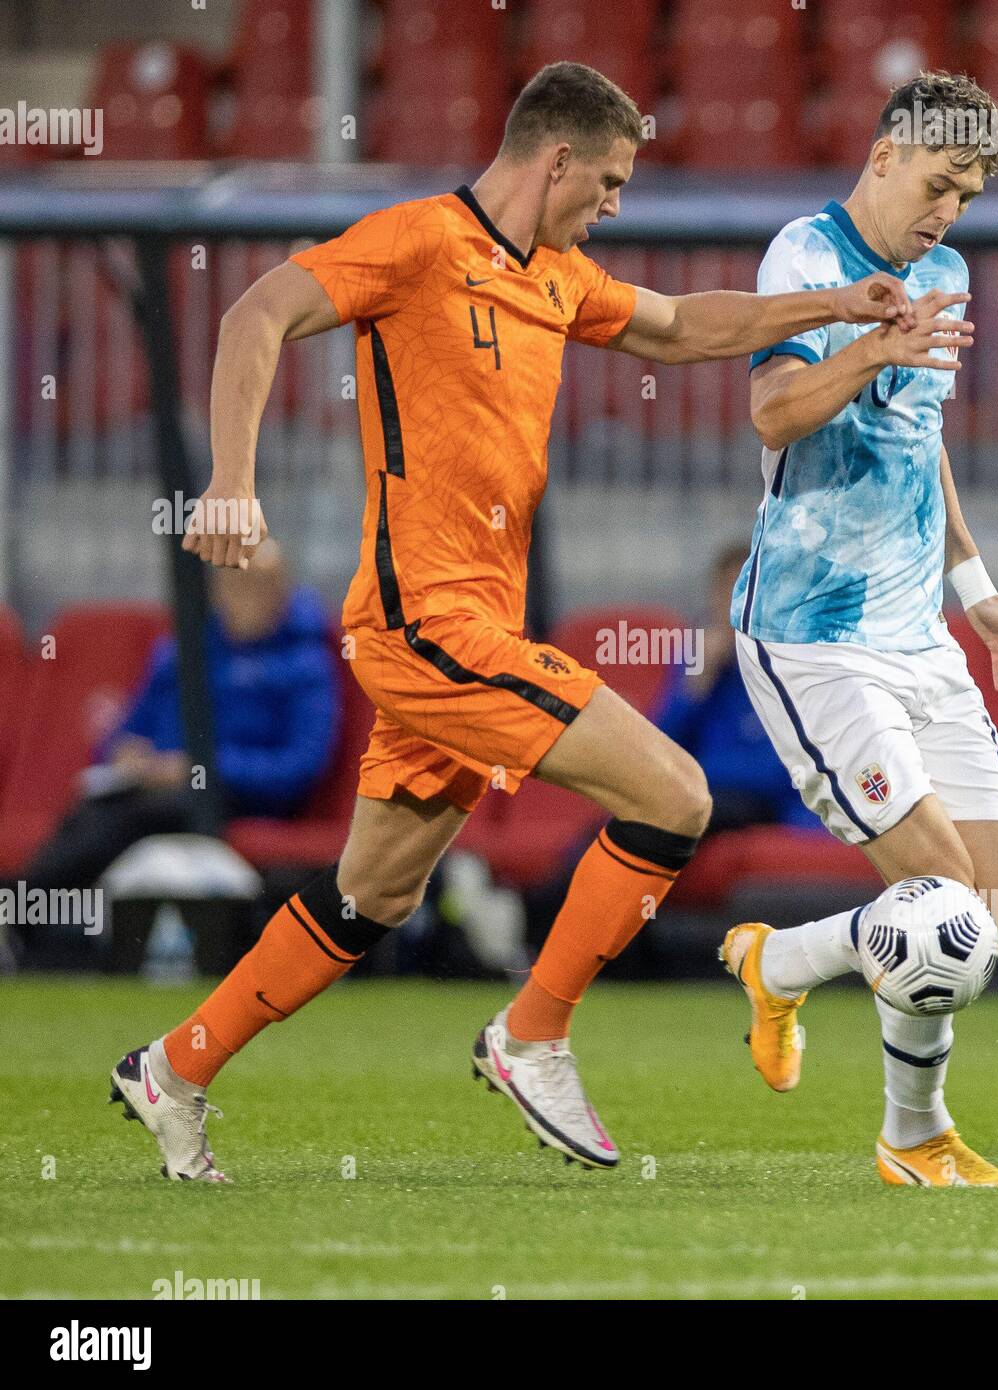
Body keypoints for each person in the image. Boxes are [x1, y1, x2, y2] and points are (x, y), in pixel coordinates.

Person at [107, 61, 932, 1181]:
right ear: (554, 160)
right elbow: (259, 311)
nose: (614, 204)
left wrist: (838, 308)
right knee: (674, 794)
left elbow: (685, 324)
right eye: (608, 181)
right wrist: (231, 478)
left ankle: (177, 1066)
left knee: (374, 894)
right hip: (425, 623)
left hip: (470, 625)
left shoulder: (554, 274)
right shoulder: (412, 243)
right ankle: (533, 1031)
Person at [718, 70, 998, 1188]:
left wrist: (978, 587)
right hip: (811, 632)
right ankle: (915, 1137)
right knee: (945, 905)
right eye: (938, 183)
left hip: (921, 632)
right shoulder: (803, 259)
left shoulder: (943, 270)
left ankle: (781, 963)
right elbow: (770, 410)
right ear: (882, 155)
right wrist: (869, 347)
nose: (947, 213)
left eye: (966, 196)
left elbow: (920, 439)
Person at [24, 540, 338, 896]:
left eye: (260, 586)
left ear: (283, 592)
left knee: (133, 816)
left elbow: (299, 766)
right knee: (93, 808)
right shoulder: (183, 650)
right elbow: (125, 733)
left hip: (236, 798)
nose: (246, 598)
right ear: (218, 591)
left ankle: (20, 904)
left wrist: (199, 767)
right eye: (236, 585)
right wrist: (127, 753)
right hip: (149, 789)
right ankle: (35, 924)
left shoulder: (306, 665)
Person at [654, 543, 822, 835]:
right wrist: (694, 689)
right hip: (697, 790)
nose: (735, 610)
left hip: (755, 800)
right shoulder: (699, 655)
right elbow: (658, 748)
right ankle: (570, 882)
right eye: (726, 595)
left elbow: (781, 773)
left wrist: (696, 777)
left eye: (746, 595)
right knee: (627, 815)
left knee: (673, 815)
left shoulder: (793, 662)